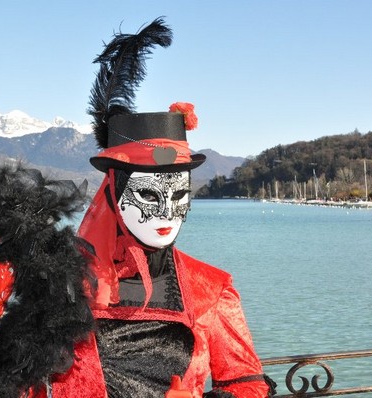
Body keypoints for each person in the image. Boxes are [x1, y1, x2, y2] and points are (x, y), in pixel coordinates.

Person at [38, 18, 275, 398]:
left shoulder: (211, 290)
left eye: (179, 197)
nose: (167, 213)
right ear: (114, 195)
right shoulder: (60, 283)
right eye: (149, 196)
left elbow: (246, 384)